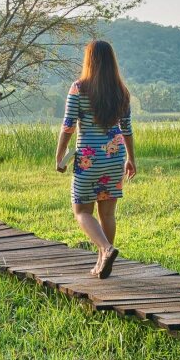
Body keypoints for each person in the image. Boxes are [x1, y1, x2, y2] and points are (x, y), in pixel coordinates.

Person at [55, 40, 136, 279]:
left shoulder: (79, 88)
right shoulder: (121, 91)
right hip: (115, 158)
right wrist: (131, 158)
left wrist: (60, 155)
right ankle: (102, 263)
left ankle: (106, 249)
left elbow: (68, 125)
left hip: (88, 159)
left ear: (89, 60)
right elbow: (127, 128)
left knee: (81, 211)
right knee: (108, 214)